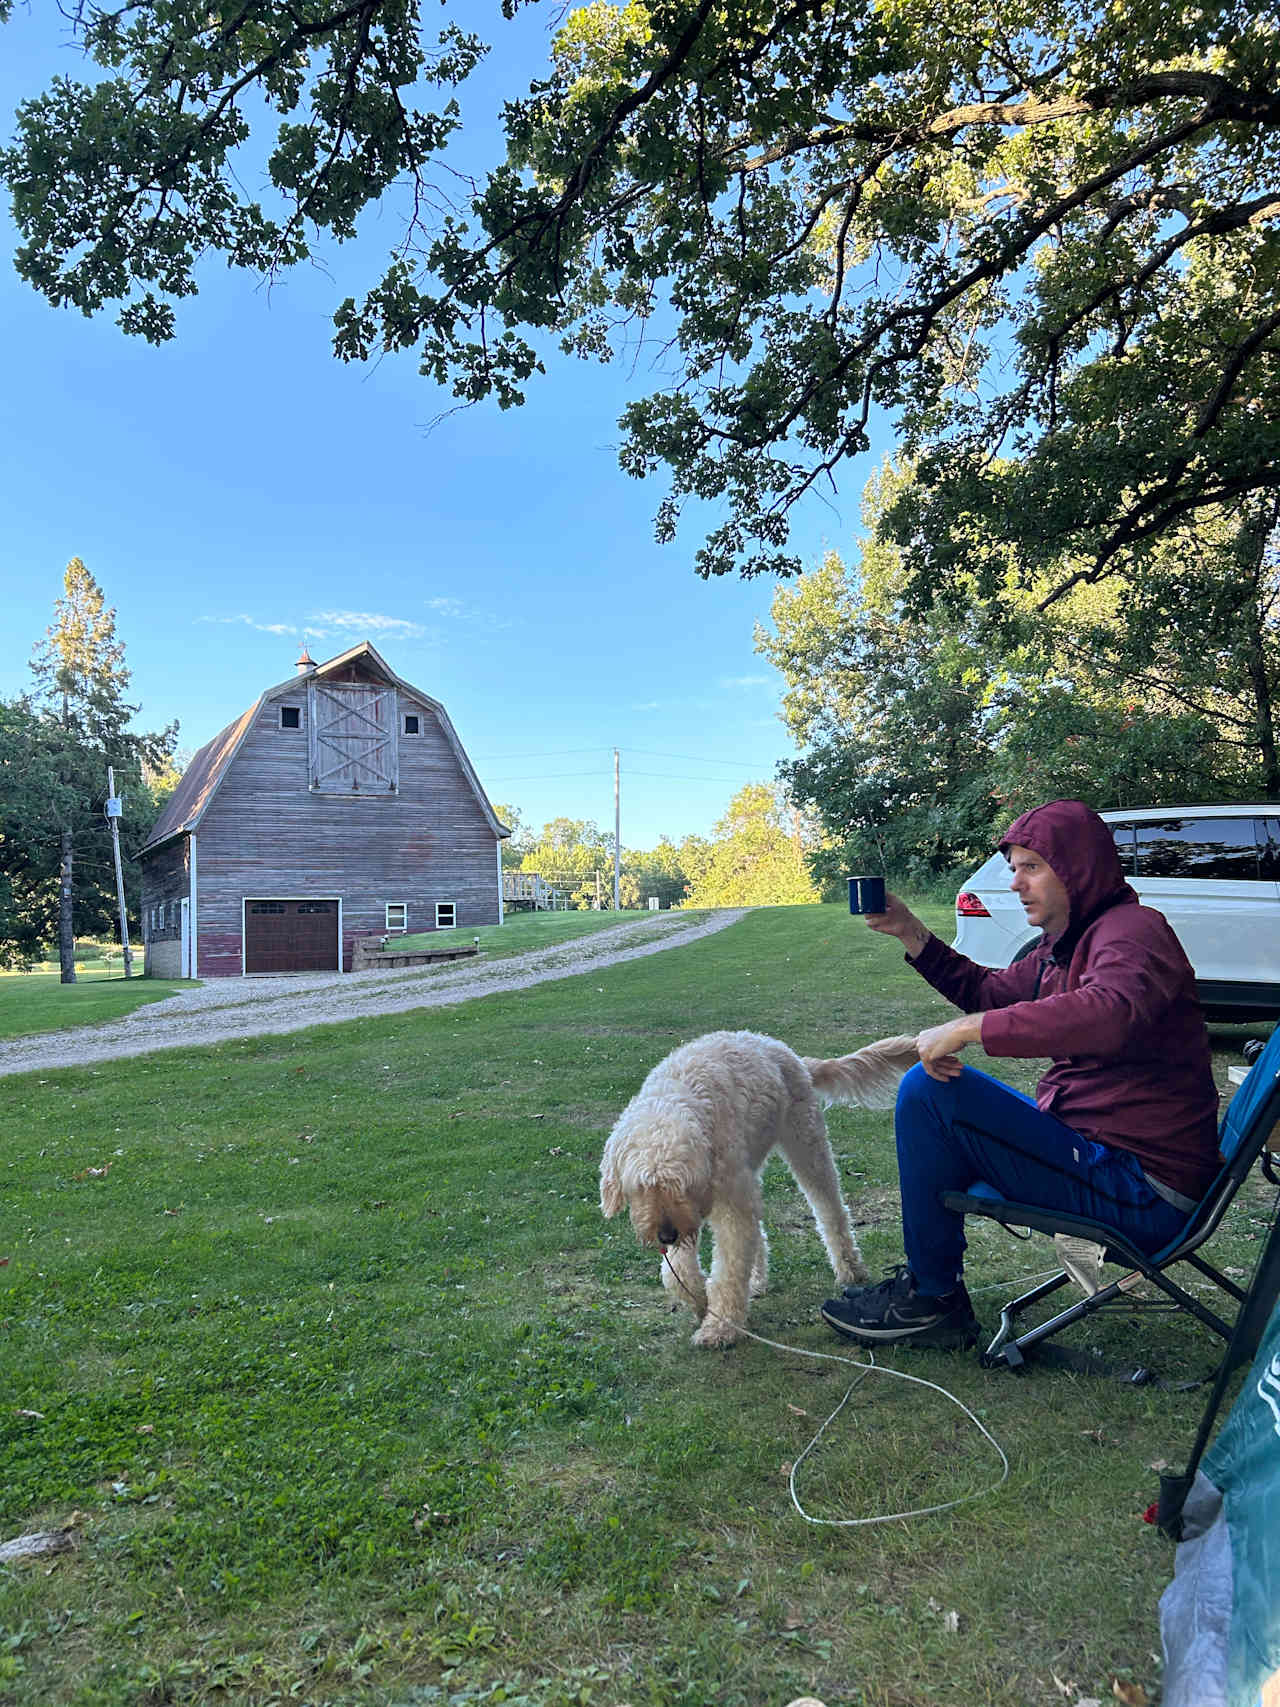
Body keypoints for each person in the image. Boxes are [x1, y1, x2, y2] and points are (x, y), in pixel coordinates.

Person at [821, 798, 1222, 1349]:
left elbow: (1111, 1012)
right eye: (1014, 869)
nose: (1016, 884)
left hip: (1142, 1192)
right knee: (934, 1094)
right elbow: (990, 991)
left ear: (1077, 868)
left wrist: (970, 1030)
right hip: (1100, 1158)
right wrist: (911, 932)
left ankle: (933, 1298)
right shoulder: (1068, 944)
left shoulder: (1132, 932)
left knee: (927, 1090)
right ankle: (932, 1289)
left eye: (1032, 867)